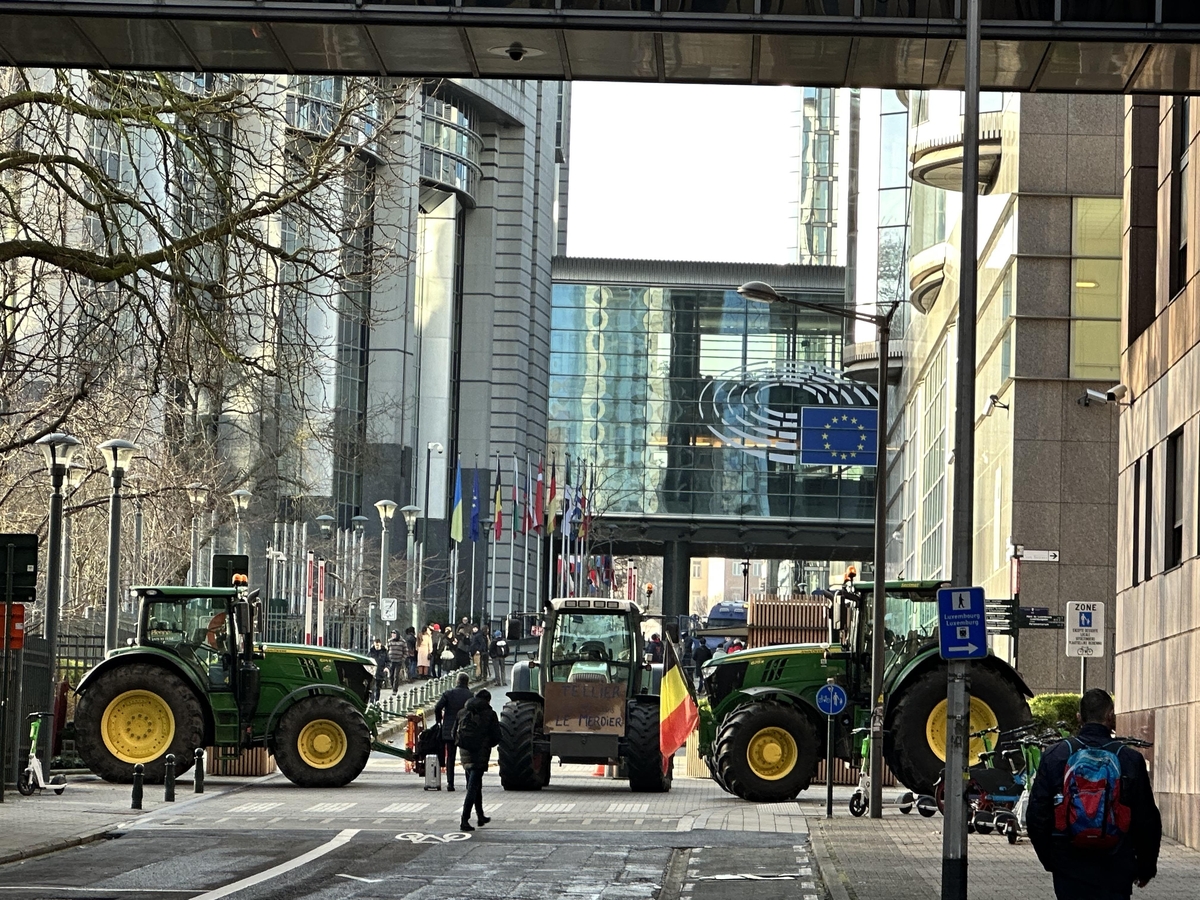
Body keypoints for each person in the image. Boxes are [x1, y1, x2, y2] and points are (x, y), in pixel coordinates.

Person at [1027, 689, 1161, 900]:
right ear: (1110, 716)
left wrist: (1050, 858)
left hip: (1069, 864)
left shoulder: (1055, 755)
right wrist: (1145, 866)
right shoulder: (1129, 759)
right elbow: (1146, 819)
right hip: (1116, 864)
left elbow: (1037, 814)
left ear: (1079, 717)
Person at [456, 688, 501, 832]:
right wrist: (486, 744)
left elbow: (453, 733)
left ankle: (480, 816)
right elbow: (497, 737)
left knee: (475, 786)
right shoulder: (489, 714)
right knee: (472, 788)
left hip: (464, 754)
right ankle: (464, 820)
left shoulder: (462, 712)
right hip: (479, 755)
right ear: (487, 700)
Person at [434, 672, 473, 792]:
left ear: (457, 681)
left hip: (449, 730)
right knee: (467, 757)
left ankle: (450, 783)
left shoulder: (449, 694)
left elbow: (437, 707)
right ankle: (468, 783)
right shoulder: (470, 695)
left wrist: (439, 720)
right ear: (467, 682)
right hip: (464, 730)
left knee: (450, 757)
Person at [368, 636, 389, 702]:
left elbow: (388, 661)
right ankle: (372, 701)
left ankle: (377, 700)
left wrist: (387, 667)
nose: (376, 646)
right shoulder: (371, 652)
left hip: (380, 672)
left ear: (380, 644)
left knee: (378, 688)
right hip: (372, 672)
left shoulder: (384, 652)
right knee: (372, 688)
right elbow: (367, 660)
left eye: (378, 645)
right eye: (375, 645)